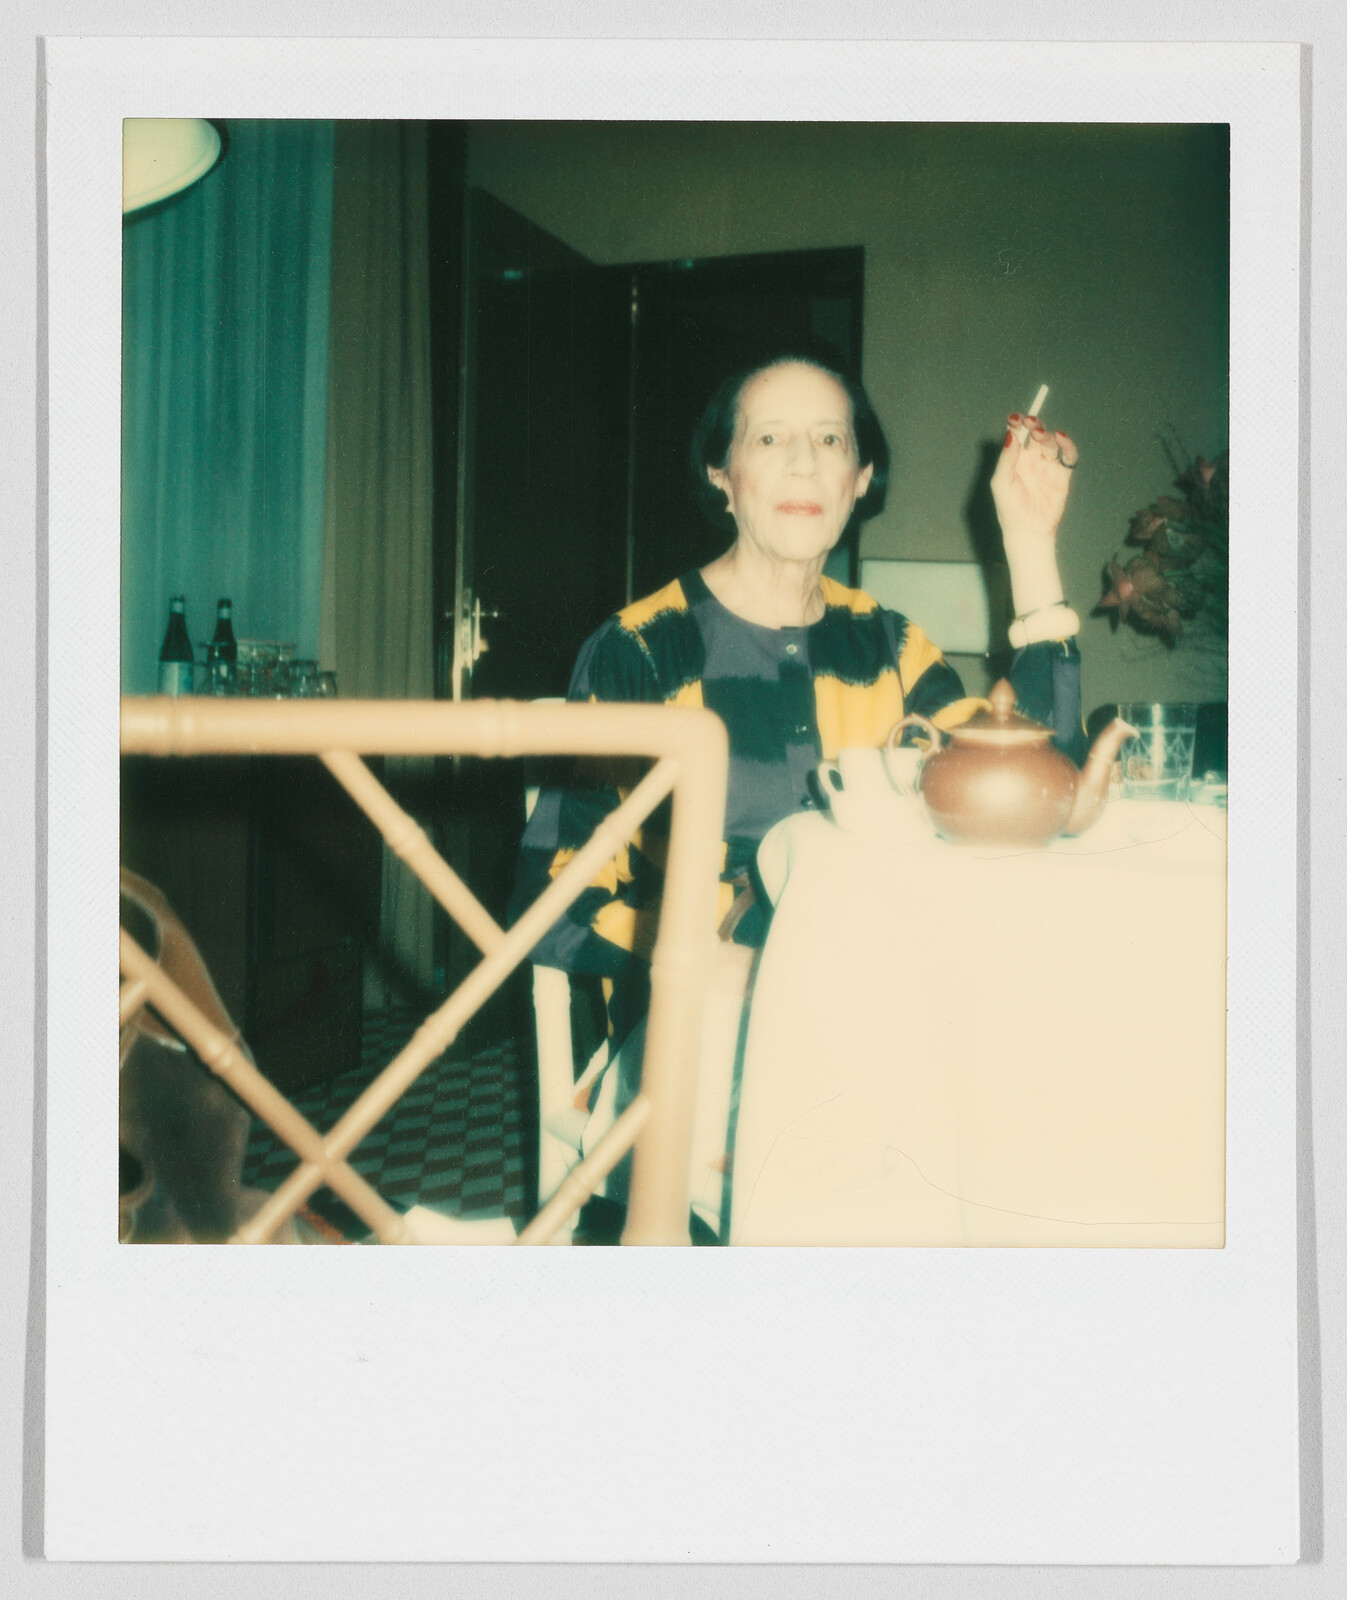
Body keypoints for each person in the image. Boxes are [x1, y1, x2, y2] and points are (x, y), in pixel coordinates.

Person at [511, 348, 1084, 1234]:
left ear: (860, 480)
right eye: (770, 437)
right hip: (699, 1028)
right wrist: (715, 954)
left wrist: (1029, 543)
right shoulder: (638, 651)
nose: (805, 460)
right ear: (723, 475)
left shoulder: (893, 648)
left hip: (881, 1013)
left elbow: (1034, 792)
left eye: (829, 440)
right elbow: (556, 907)